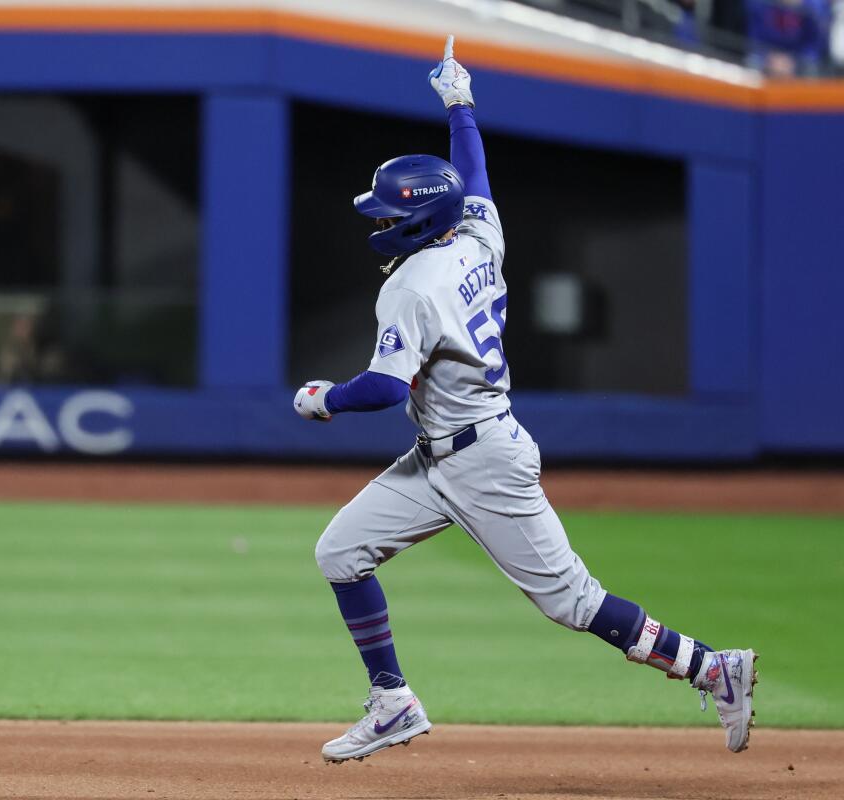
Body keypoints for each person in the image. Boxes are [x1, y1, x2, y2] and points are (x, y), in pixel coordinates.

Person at [293, 38, 758, 764]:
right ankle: (392, 702)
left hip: (484, 462)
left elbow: (384, 390)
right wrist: (459, 102)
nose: (377, 225)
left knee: (573, 602)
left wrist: (322, 400)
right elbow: (472, 173)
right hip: (438, 457)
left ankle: (712, 667)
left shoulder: (410, 287)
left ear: (416, 222)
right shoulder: (478, 234)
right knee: (341, 553)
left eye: (386, 216)